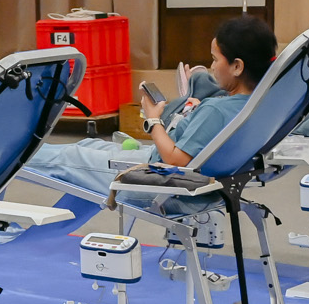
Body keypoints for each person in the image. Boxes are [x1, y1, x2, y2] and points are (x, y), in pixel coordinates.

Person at [25, 14, 277, 199]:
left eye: (215, 59)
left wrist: (154, 119)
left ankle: (6, 159)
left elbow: (177, 161)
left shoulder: (216, 111)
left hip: (154, 176)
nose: (211, 67)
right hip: (171, 168)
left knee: (65, 157)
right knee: (88, 145)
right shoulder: (258, 108)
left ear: (237, 66)